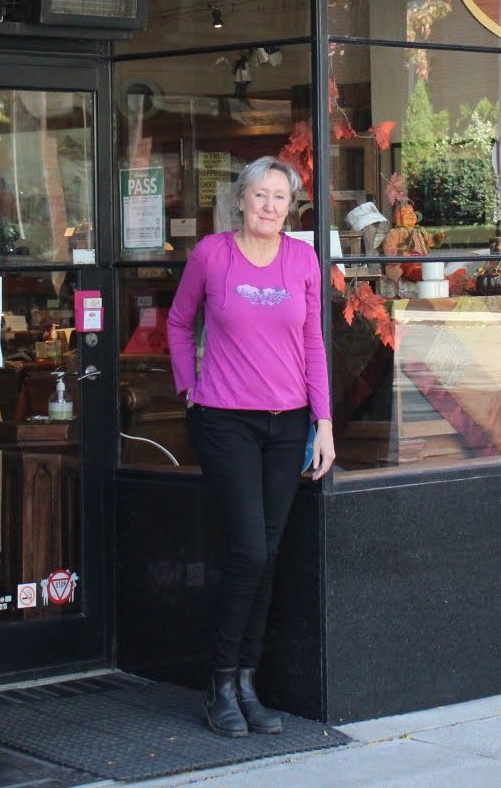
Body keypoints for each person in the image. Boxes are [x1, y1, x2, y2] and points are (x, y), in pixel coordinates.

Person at [167, 156, 335, 737]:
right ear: (241, 200)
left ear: (291, 207)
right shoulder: (212, 254)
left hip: (287, 424)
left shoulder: (302, 258)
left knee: (267, 552)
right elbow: (178, 322)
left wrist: (325, 424)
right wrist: (189, 387)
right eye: (260, 195)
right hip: (225, 422)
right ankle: (218, 682)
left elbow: (313, 342)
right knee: (250, 552)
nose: (269, 206)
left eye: (280, 198)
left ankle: (245, 681)